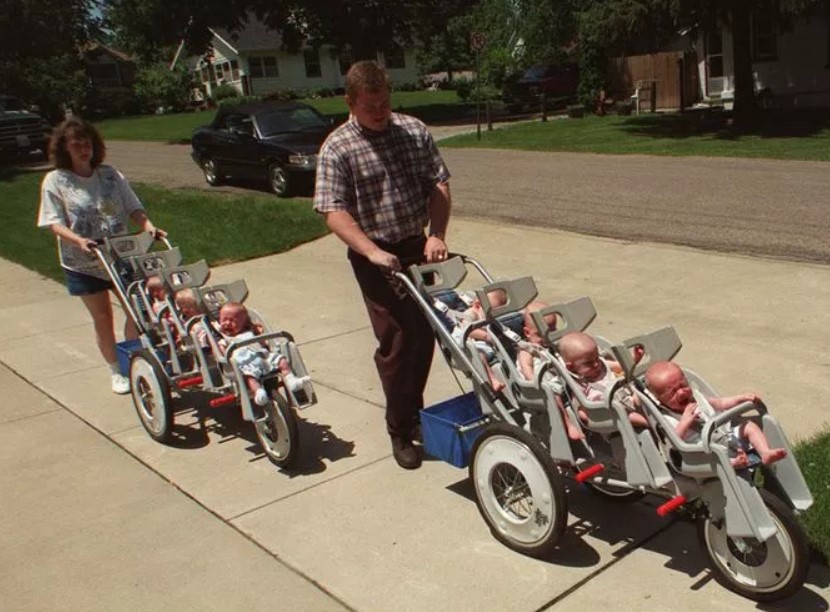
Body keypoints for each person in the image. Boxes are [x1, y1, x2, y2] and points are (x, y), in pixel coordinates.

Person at [313, 60, 451, 470]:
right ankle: (400, 427)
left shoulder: (413, 131)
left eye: (385, 102)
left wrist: (437, 234)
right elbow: (332, 210)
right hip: (373, 253)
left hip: (417, 245)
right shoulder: (337, 147)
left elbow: (438, 184)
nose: (380, 111)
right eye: (371, 105)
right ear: (350, 102)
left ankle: (415, 414)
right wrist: (371, 251)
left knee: (426, 333)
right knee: (396, 341)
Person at [37, 116, 165, 394]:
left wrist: (149, 227)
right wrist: (78, 240)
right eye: (77, 145)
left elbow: (133, 207)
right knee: (103, 317)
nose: (84, 150)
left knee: (138, 310)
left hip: (121, 257)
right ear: (65, 149)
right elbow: (53, 222)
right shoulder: (56, 180)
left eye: (88, 144)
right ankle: (115, 371)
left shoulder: (110, 174)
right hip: (83, 263)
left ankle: (133, 358)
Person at [645, 361, 787, 468]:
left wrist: (740, 398)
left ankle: (765, 452)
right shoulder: (667, 417)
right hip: (703, 450)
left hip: (725, 435)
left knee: (749, 426)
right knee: (714, 456)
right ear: (660, 399)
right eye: (672, 392)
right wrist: (684, 423)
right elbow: (673, 442)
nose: (681, 392)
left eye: (682, 385)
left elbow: (720, 403)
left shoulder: (697, 397)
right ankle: (734, 463)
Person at [514, 302, 585, 440]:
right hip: (539, 386)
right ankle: (568, 423)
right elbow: (526, 367)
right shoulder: (527, 349)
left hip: (558, 379)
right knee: (554, 396)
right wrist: (533, 380)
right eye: (540, 334)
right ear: (527, 333)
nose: (546, 338)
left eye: (552, 330)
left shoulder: (552, 345)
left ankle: (583, 413)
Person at [217, 302, 310, 406]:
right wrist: (225, 355)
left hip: (264, 357)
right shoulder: (226, 339)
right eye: (224, 319)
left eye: (233, 321)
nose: (228, 323)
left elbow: (262, 343)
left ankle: (291, 380)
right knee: (250, 377)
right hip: (247, 363)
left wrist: (261, 337)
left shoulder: (249, 331)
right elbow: (222, 350)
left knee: (282, 361)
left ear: (244, 324)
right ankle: (258, 392)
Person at [558, 331, 648, 429]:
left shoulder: (602, 364)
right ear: (571, 367)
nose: (596, 364)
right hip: (608, 414)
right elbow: (580, 407)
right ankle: (649, 424)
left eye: (597, 358)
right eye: (588, 363)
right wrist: (586, 414)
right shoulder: (578, 382)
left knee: (642, 391)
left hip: (625, 397)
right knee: (630, 416)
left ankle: (655, 417)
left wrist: (635, 358)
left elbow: (621, 366)